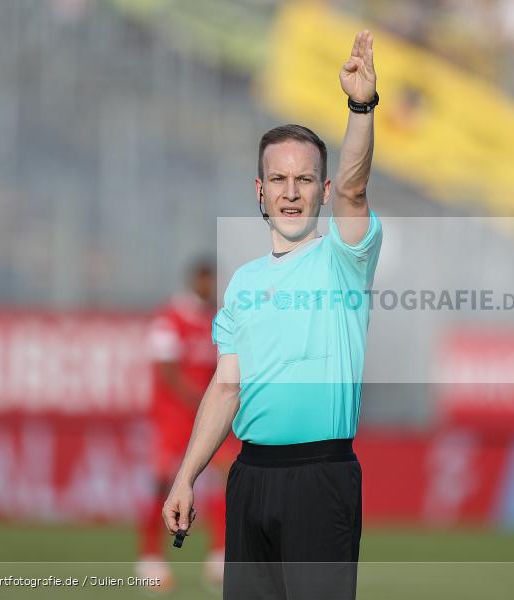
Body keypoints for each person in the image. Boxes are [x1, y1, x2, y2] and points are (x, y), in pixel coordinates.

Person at [162, 30, 382, 600]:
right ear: (260, 191)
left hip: (321, 478)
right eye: (279, 180)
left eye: (305, 179)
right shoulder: (243, 283)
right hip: (249, 479)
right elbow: (226, 386)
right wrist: (186, 477)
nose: (291, 192)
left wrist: (360, 107)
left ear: (323, 190)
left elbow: (357, 193)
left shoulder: (344, 259)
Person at [137, 257, 232, 593]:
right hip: (173, 418)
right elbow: (168, 371)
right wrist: (200, 400)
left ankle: (220, 555)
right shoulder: (170, 318)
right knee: (163, 483)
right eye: (209, 280)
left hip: (206, 416)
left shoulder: (215, 319)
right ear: (197, 280)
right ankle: (149, 559)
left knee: (226, 477)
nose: (212, 287)